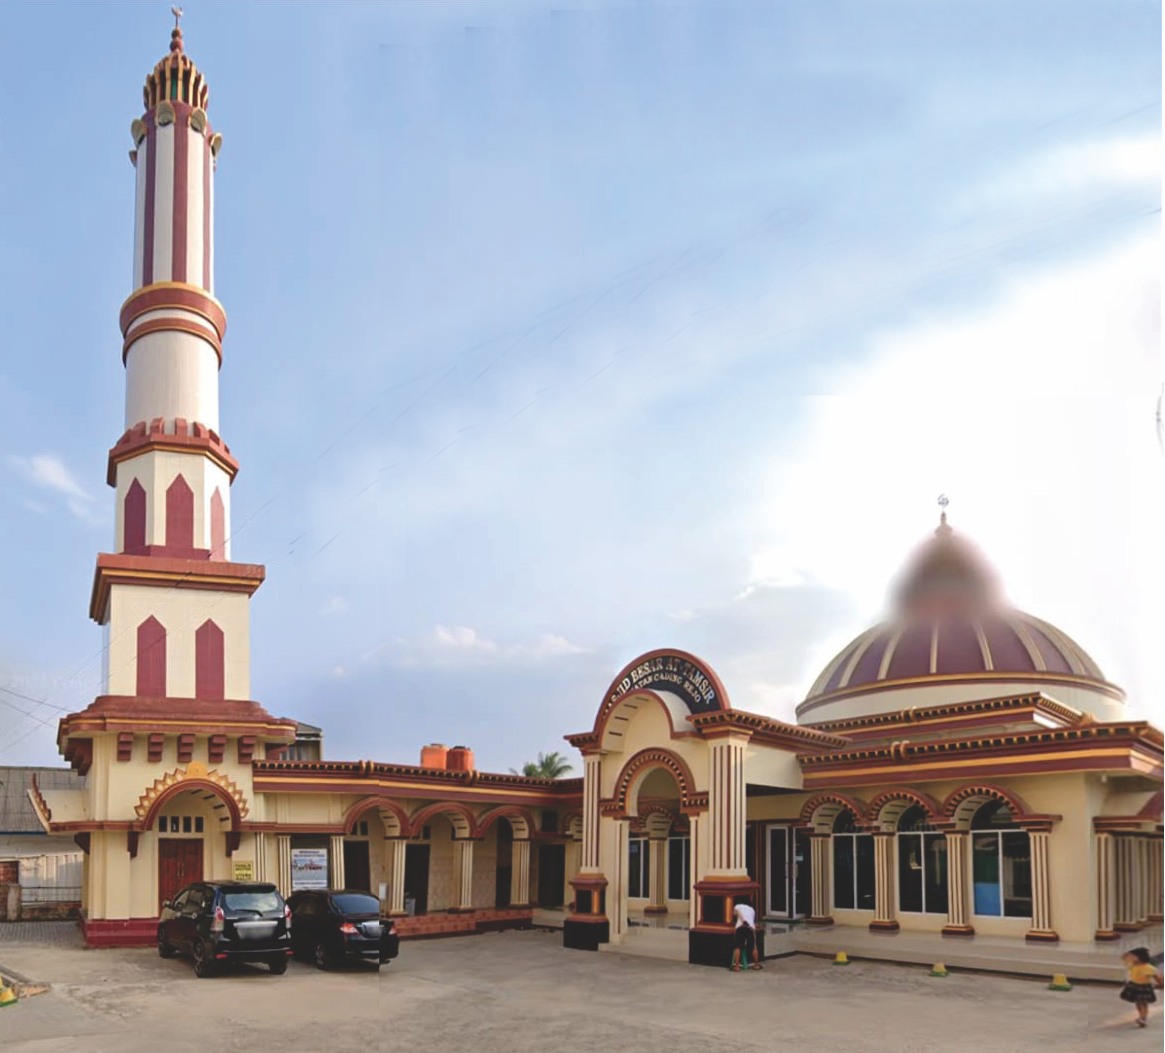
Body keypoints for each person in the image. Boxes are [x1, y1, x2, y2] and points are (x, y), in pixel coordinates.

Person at [1119, 947, 1163, 1028]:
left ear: (1141, 957)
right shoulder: (1132, 965)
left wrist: (1160, 984)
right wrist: (1127, 954)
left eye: (1134, 957)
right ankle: (1141, 1015)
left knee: (1143, 1003)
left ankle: (1143, 1018)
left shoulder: (1149, 968)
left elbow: (1156, 977)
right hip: (1133, 986)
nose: (1131, 958)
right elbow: (1124, 958)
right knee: (1138, 1003)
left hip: (1144, 987)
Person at [730, 898, 762, 972]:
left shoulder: (737, 906)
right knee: (753, 946)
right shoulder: (752, 910)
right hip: (750, 928)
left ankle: (737, 966)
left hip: (740, 927)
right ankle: (756, 965)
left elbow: (734, 913)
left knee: (737, 946)